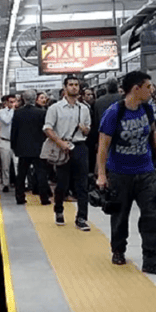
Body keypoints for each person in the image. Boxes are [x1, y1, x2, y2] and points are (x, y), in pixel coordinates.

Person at [96, 71, 156, 276]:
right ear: (136, 88)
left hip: (146, 170)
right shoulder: (114, 113)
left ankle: (152, 260)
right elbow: (103, 146)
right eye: (148, 87)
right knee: (120, 215)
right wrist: (101, 174)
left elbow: (153, 131)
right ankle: (118, 250)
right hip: (120, 173)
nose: (152, 90)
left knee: (152, 215)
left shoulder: (147, 109)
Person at [44, 75, 92, 230]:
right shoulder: (55, 108)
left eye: (76, 85)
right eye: (70, 84)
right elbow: (47, 128)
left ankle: (82, 217)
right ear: (65, 88)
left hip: (80, 147)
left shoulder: (84, 109)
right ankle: (58, 209)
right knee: (62, 183)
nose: (74, 87)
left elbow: (88, 130)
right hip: (62, 147)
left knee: (82, 184)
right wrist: (60, 143)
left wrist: (85, 129)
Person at [11, 90, 51, 205]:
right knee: (41, 173)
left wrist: (14, 146)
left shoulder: (18, 113)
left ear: (23, 99)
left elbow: (14, 131)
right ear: (34, 99)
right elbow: (45, 130)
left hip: (22, 149)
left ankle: (20, 197)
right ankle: (44, 198)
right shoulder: (41, 113)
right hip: (39, 148)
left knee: (21, 174)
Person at [0, 94, 18, 192]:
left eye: (15, 101)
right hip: (5, 140)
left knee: (17, 163)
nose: (13, 104)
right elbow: (7, 121)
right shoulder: (2, 112)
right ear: (6, 103)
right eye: (11, 102)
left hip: (16, 141)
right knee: (5, 164)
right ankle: (6, 183)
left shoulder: (19, 112)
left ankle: (20, 183)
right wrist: (13, 110)